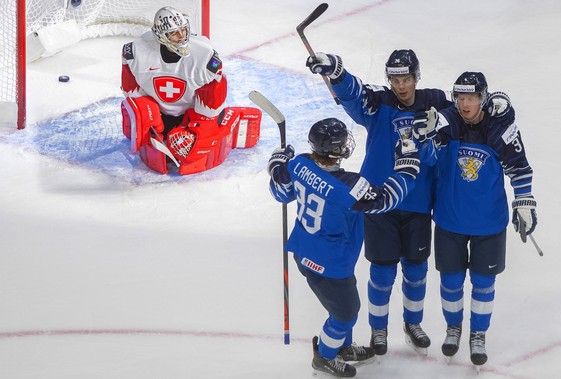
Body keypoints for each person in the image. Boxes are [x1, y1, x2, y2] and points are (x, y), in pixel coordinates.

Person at [305, 49, 452, 356]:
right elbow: (354, 94)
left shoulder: (435, 101)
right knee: (382, 271)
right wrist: (337, 73)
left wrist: (439, 126)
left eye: (407, 78)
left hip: (419, 204)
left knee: (416, 270)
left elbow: (458, 118)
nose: (402, 85)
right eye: (396, 79)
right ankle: (379, 328)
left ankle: (413, 323)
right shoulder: (379, 103)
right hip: (378, 201)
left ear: (416, 77)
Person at [268, 118, 421, 377]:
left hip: (307, 251)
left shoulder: (299, 164)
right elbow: (385, 200)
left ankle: (342, 345)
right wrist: (408, 169)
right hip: (330, 261)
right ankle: (325, 356)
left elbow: (280, 192)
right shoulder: (349, 185)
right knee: (346, 313)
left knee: (342, 302)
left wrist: (276, 162)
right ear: (337, 150)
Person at [414, 71, 537, 366]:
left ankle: (477, 334)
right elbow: (429, 159)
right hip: (450, 221)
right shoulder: (447, 123)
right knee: (451, 282)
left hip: (489, 224)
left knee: (483, 283)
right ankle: (453, 329)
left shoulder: (499, 128)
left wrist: (524, 202)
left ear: (483, 98)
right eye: (460, 98)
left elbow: (520, 168)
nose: (465, 104)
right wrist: (422, 137)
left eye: (471, 98)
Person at [120, 6, 260, 175]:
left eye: (184, 30)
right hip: (158, 112)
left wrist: (198, 128)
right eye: (174, 33)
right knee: (138, 124)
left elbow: (212, 102)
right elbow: (132, 92)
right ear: (161, 36)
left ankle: (222, 127)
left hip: (191, 114)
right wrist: (146, 118)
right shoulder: (136, 52)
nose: (182, 36)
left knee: (188, 144)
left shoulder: (205, 56)